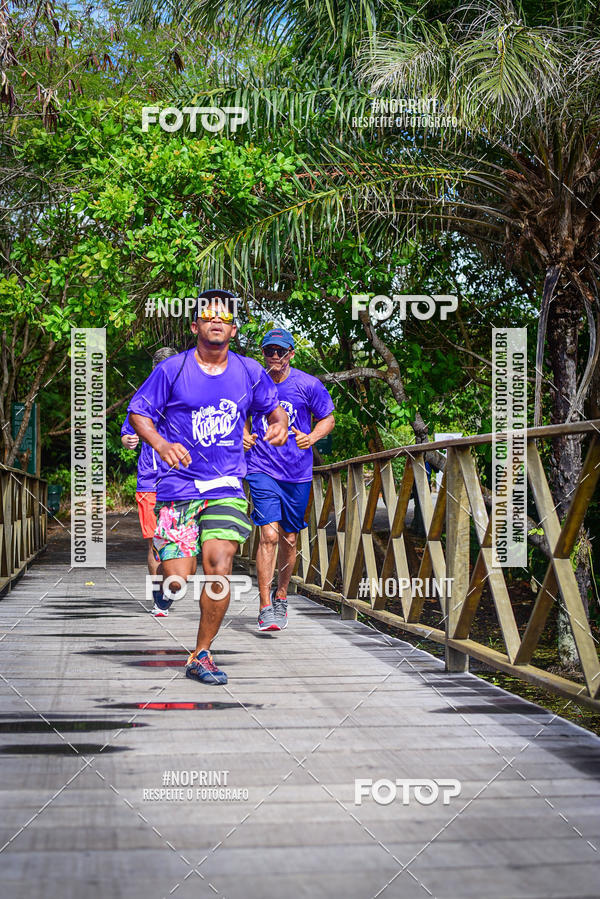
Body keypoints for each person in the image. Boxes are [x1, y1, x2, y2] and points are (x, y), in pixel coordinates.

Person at [127, 289, 288, 685]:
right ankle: (166, 588)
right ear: (195, 325)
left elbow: (273, 407)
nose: (216, 320)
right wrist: (161, 444)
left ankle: (202, 654)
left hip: (226, 485)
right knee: (178, 577)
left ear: (233, 330)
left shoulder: (249, 371)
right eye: (208, 315)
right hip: (179, 488)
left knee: (220, 563)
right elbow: (138, 413)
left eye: (225, 316)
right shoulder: (173, 370)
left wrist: (280, 423)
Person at [244, 328, 335, 632]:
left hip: (297, 473)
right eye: (269, 351)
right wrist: (243, 435)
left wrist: (313, 436)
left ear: (291, 354)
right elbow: (235, 412)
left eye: (280, 351)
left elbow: (328, 417)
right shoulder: (254, 383)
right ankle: (264, 605)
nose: (274, 357)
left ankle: (281, 595)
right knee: (268, 534)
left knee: (289, 537)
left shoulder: (308, 384)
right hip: (261, 466)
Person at [121, 347, 178, 598]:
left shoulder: (188, 397)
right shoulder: (143, 400)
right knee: (156, 540)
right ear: (154, 371)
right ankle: (158, 595)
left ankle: (170, 586)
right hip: (150, 481)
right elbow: (127, 432)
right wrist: (128, 440)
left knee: (176, 541)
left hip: (182, 480)